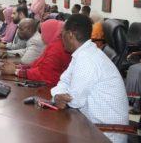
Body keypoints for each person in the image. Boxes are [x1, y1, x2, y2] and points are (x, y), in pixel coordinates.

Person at [51, 14, 128, 142]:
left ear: (70, 35)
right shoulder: (83, 53)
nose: (60, 38)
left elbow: (74, 101)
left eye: (61, 34)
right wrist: (57, 95)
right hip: (87, 124)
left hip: (106, 134)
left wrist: (59, 97)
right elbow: (64, 81)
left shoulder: (87, 60)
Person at [0, 19, 71, 86]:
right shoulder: (53, 44)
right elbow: (38, 65)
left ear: (50, 33)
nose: (41, 36)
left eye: (43, 32)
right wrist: (19, 67)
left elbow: (44, 74)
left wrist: (15, 71)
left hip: (49, 87)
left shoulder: (56, 49)